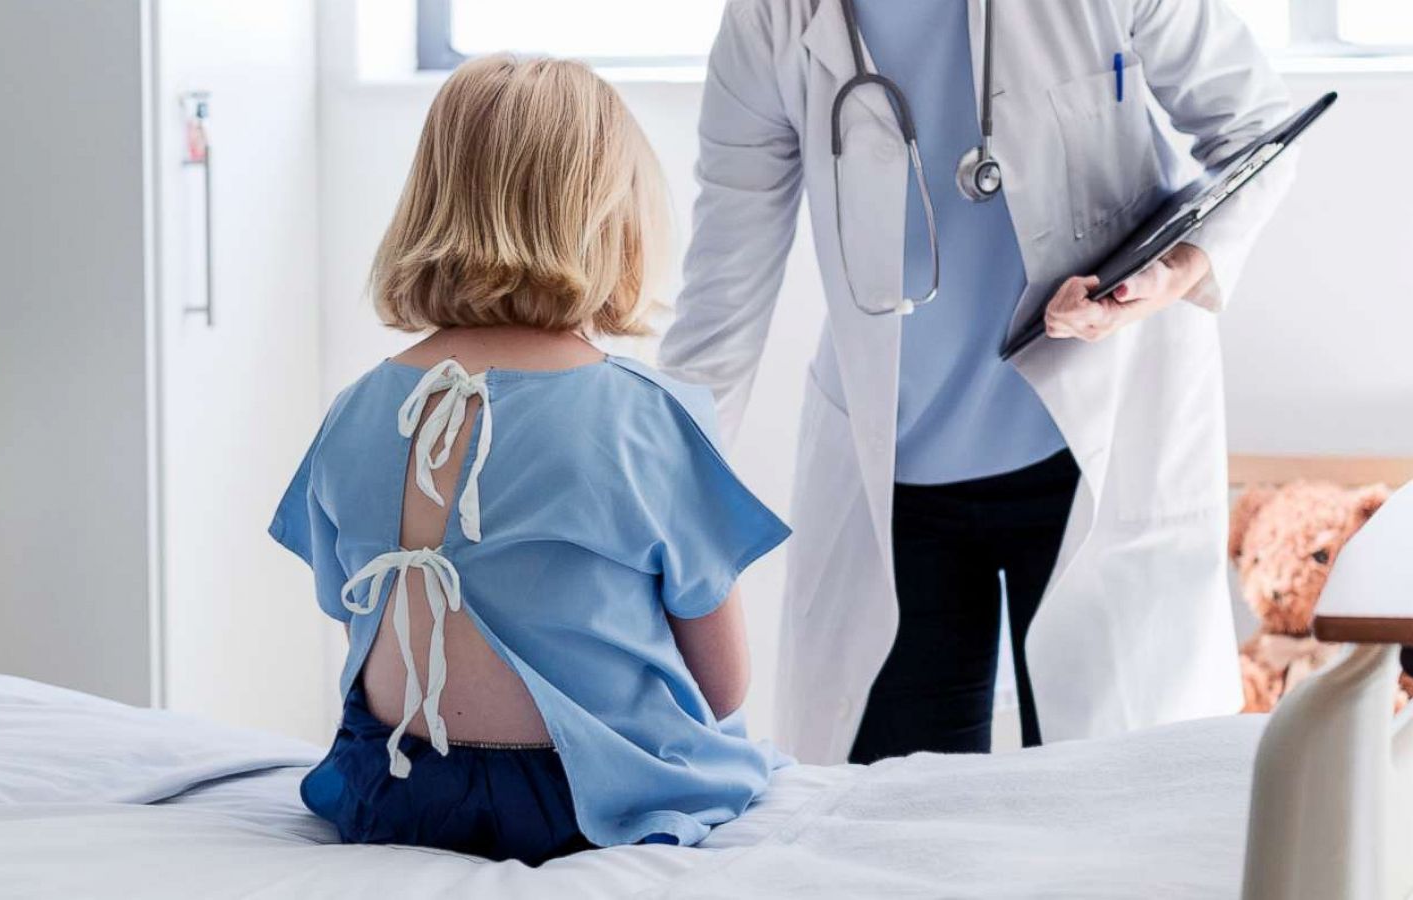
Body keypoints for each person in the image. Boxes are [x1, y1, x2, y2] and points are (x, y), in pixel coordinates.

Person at [660, 0, 1296, 764]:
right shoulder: (772, 18)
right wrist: (660, 502)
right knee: (889, 829)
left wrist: (1173, 273)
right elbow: (723, 291)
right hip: (896, 481)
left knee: (1105, 809)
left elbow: (1256, 128)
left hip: (1092, 457)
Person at [269, 55, 789, 865]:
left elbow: (357, 630)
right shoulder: (647, 414)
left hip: (400, 791)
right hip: (584, 803)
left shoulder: (357, 411)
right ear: (613, 218)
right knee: (736, 749)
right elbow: (722, 690)